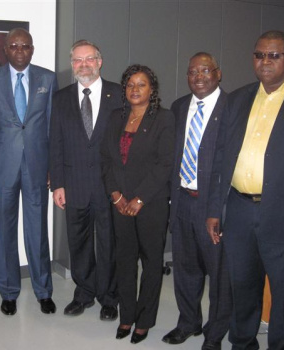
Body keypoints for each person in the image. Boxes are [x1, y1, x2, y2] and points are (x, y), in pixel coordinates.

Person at [206, 30, 284, 350]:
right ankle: (243, 343)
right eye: (259, 54)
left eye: (274, 55)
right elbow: (221, 159)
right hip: (238, 210)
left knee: (283, 293)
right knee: (242, 287)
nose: (265, 61)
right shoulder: (237, 98)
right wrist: (213, 210)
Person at [0, 28, 58, 316]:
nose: (20, 50)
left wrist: (53, 167)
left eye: (25, 46)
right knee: (5, 232)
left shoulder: (47, 78)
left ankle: (43, 291)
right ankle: (8, 292)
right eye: (14, 46)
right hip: (2, 169)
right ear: (5, 50)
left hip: (37, 167)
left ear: (32, 49)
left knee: (37, 232)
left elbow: (52, 128)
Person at [101, 64, 175, 344]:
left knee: (152, 262)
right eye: (130, 84)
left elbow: (164, 164)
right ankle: (126, 315)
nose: (135, 89)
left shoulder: (164, 119)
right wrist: (116, 195)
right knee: (125, 261)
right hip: (119, 204)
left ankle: (144, 320)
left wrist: (139, 198)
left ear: (152, 89)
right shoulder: (115, 117)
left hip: (150, 204)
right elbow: (106, 159)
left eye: (141, 84)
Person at [162, 52, 231, 350]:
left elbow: (231, 166)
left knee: (218, 275)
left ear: (218, 73)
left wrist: (217, 209)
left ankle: (214, 334)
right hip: (182, 202)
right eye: (192, 72)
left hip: (214, 205)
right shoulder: (178, 107)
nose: (198, 76)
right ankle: (188, 322)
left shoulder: (233, 108)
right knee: (186, 269)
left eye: (205, 70)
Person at [49, 40, 120, 320]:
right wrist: (58, 184)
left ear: (100, 62)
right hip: (74, 184)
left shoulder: (118, 94)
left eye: (89, 59)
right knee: (77, 244)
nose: (84, 65)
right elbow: (55, 143)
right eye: (78, 60)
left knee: (108, 244)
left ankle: (109, 297)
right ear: (72, 64)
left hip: (109, 187)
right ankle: (84, 293)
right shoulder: (60, 97)